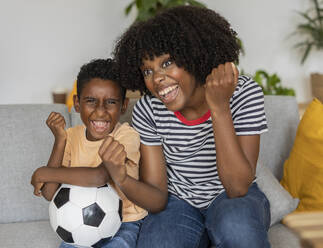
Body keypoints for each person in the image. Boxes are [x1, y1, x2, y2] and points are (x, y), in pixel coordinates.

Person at [113, 5, 271, 248]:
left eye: (167, 63)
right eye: (148, 70)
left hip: (232, 197)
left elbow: (237, 186)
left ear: (194, 56)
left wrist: (219, 107)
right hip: (177, 202)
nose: (157, 79)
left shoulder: (243, 93)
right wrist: (121, 177)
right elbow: (156, 193)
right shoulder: (148, 109)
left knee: (237, 229)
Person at [30, 58, 147, 248]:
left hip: (125, 222)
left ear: (123, 106)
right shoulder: (71, 137)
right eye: (91, 101)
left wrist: (44, 172)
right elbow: (50, 193)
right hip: (77, 224)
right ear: (77, 103)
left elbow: (100, 176)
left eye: (110, 102)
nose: (100, 112)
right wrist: (60, 141)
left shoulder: (126, 136)